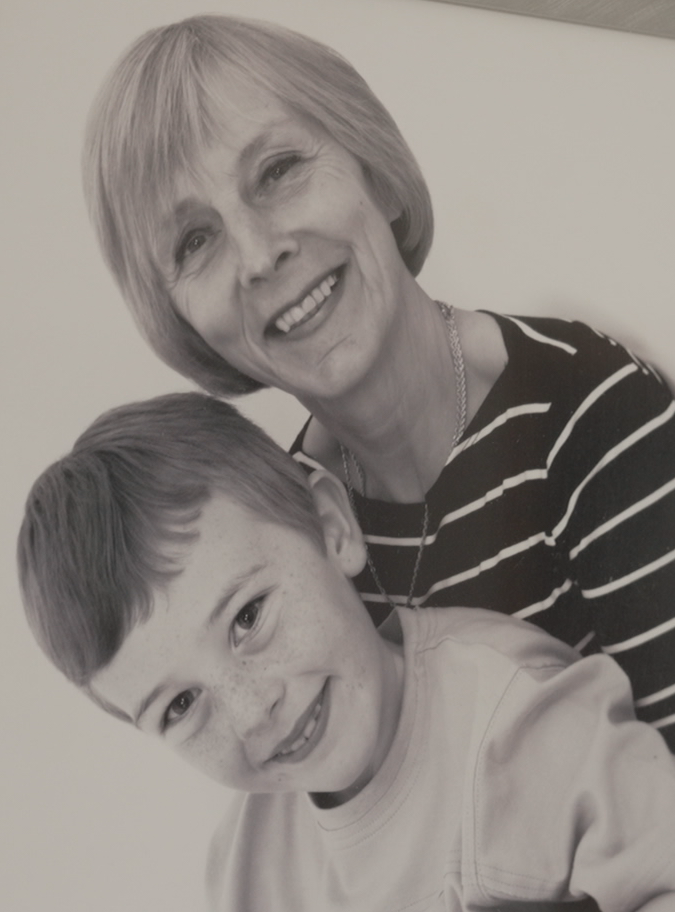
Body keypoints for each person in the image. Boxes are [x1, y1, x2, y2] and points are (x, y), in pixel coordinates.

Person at [82, 15, 675, 748]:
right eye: (195, 240)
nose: (260, 256)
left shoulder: (593, 416)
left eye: (277, 172)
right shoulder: (283, 535)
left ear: (378, 177)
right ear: (182, 322)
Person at [17, 392, 675, 912]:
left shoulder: (510, 718)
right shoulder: (244, 895)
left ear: (332, 529)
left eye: (248, 617)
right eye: (181, 705)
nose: (252, 710)